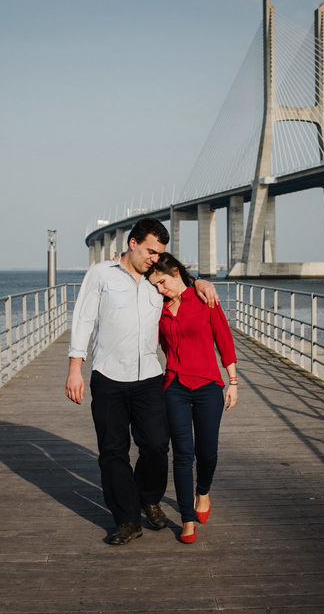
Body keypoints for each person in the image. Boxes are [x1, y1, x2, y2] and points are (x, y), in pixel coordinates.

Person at [65, 218, 218, 545]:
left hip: (149, 376)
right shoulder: (101, 274)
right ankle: (127, 520)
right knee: (113, 451)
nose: (154, 258)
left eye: (159, 253)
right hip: (108, 375)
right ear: (132, 243)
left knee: (156, 445)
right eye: (150, 251)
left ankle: (149, 498)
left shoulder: (154, 280)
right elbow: (83, 319)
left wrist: (202, 282)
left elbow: (180, 284)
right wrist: (75, 369)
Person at [146, 252, 237, 544]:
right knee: (183, 455)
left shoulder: (204, 299)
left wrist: (233, 381)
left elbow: (224, 338)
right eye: (155, 285)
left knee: (207, 452)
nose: (160, 289)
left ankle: (203, 491)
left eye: (162, 282)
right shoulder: (158, 309)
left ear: (175, 273)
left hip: (208, 386)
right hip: (174, 387)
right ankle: (187, 519)